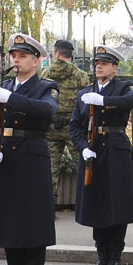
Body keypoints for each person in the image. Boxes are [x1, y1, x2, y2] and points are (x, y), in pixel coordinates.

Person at [0, 34, 58, 265]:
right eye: (13, 55)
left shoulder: (46, 87)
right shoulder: (3, 87)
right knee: (9, 224)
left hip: (31, 161)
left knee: (31, 225)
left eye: (22, 56)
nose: (16, 59)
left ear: (36, 61)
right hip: (6, 161)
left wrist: (11, 98)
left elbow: (46, 111)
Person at [68, 45, 133, 265]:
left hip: (115, 150)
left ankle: (115, 258)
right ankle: (101, 256)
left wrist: (104, 101)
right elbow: (74, 126)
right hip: (92, 150)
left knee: (116, 204)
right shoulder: (85, 93)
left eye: (104, 63)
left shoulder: (123, 87)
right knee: (96, 203)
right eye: (96, 63)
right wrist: (83, 148)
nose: (98, 67)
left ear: (114, 67)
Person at [43, 38, 89, 206]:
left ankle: (48, 206)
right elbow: (86, 103)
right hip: (73, 128)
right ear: (71, 54)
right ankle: (87, 204)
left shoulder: (45, 74)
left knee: (50, 170)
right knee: (83, 166)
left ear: (56, 53)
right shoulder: (81, 75)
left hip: (51, 127)